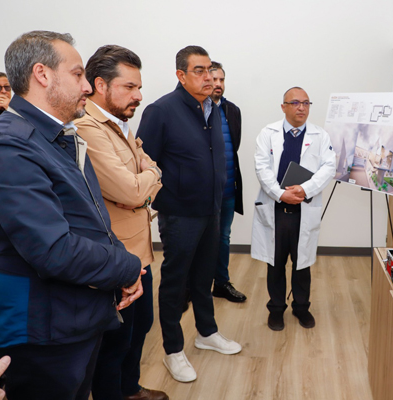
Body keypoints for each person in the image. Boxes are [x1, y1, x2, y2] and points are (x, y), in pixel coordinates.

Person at [0, 31, 143, 400]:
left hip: (74, 316)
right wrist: (127, 266)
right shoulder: (8, 144)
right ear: (42, 74)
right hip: (42, 330)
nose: (87, 86)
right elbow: (54, 250)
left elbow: (91, 219)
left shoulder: (56, 137)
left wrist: (122, 261)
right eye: (77, 74)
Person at [137, 45, 241, 383]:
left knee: (204, 275)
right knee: (175, 281)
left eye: (210, 69)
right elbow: (144, 162)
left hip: (212, 208)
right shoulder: (161, 110)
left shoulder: (212, 107)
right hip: (180, 212)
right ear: (181, 75)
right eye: (199, 70)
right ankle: (172, 349)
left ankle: (207, 332)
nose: (208, 76)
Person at [75, 45, 168, 400]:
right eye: (129, 87)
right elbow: (131, 190)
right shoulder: (88, 127)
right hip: (115, 255)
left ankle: (130, 390)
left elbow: (142, 174)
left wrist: (145, 177)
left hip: (138, 251)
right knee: (116, 341)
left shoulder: (119, 124)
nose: (139, 96)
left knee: (140, 327)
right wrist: (152, 175)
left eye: (138, 87)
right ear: (100, 85)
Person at [251, 87, 336, 331]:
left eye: (306, 103)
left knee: (302, 264)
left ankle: (301, 308)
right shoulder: (268, 133)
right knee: (275, 263)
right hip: (276, 209)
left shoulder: (320, 135)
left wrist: (304, 189)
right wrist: (281, 194)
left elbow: (329, 167)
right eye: (296, 103)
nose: (302, 108)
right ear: (284, 107)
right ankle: (276, 309)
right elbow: (261, 168)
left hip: (303, 208)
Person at [209, 61, 246, 303]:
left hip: (228, 189)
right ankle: (192, 287)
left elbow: (235, 146)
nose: (218, 84)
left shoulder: (232, 110)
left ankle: (221, 283)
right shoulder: (195, 111)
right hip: (204, 192)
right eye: (214, 79)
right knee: (200, 240)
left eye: (221, 80)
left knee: (223, 237)